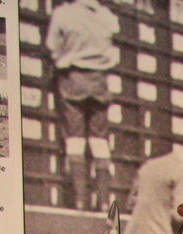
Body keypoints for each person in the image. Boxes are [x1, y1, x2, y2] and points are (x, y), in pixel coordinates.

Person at [45, 0, 120, 211]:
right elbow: (113, 51)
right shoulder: (107, 15)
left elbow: (52, 47)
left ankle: (80, 200)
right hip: (100, 81)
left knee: (75, 138)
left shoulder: (63, 13)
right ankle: (104, 200)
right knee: (100, 140)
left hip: (73, 78)